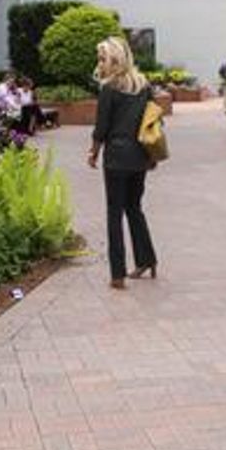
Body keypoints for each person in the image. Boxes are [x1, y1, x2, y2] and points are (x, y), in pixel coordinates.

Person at [87, 36, 159, 290]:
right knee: (134, 207)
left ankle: (117, 274)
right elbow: (153, 120)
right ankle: (147, 259)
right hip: (140, 157)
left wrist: (93, 152)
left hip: (116, 158)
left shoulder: (109, 88)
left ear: (114, 59)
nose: (100, 62)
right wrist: (152, 155)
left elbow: (102, 127)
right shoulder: (143, 86)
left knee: (114, 213)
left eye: (102, 58)